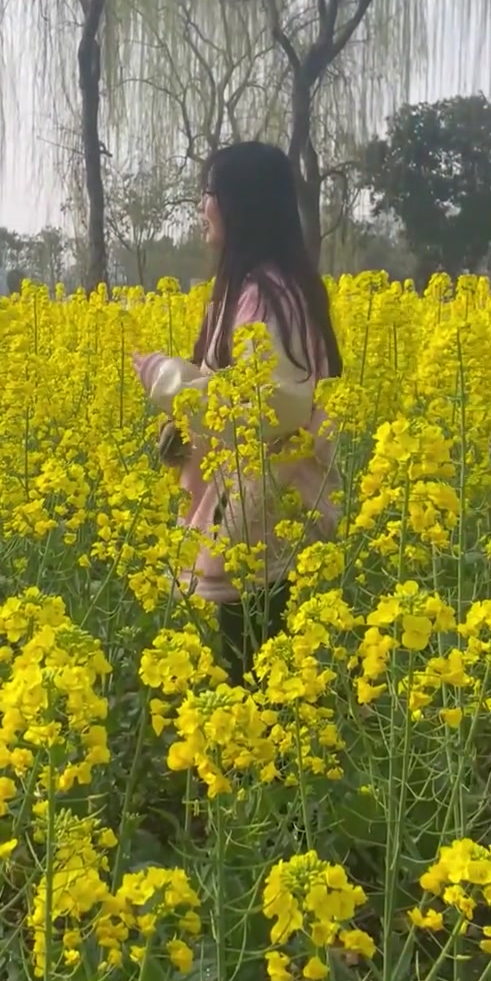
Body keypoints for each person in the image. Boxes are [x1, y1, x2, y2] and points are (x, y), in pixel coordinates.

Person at [132, 140, 342, 683]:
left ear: (242, 203)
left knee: (256, 670)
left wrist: (166, 379)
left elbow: (264, 405)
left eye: (210, 192)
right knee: (249, 663)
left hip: (266, 517)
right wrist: (181, 421)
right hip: (248, 512)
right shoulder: (248, 288)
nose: (203, 206)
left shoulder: (268, 294)